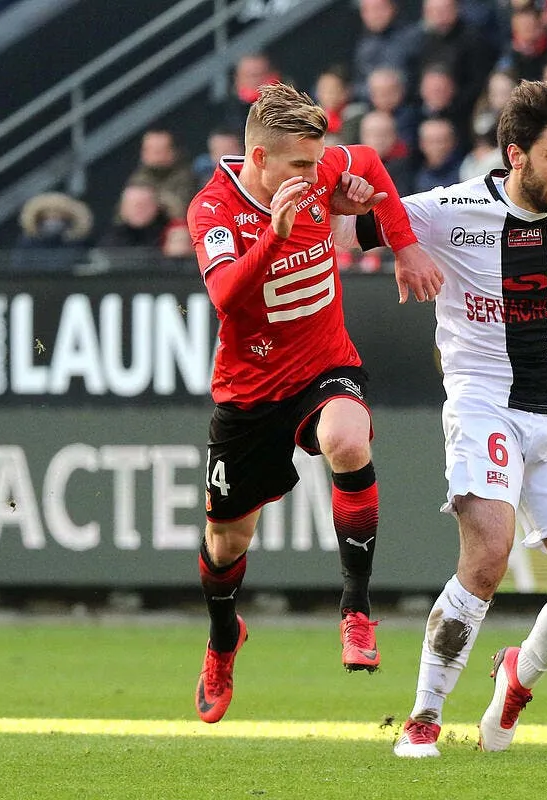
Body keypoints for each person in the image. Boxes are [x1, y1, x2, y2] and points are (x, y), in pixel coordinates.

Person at [352, 80, 547, 758]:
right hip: (483, 399)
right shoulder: (444, 211)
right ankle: (424, 717)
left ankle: (518, 674)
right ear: (515, 155)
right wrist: (297, 213)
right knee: (488, 553)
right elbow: (351, 229)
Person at [184, 82, 443, 725]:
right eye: (299, 165)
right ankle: (222, 641)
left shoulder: (319, 167)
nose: (313, 173)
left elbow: (373, 166)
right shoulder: (213, 209)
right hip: (248, 391)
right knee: (226, 542)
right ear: (259, 159)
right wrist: (272, 237)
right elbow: (226, 300)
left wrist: (404, 245)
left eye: (316, 161)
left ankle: (356, 611)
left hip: (324, 364)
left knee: (349, 439)